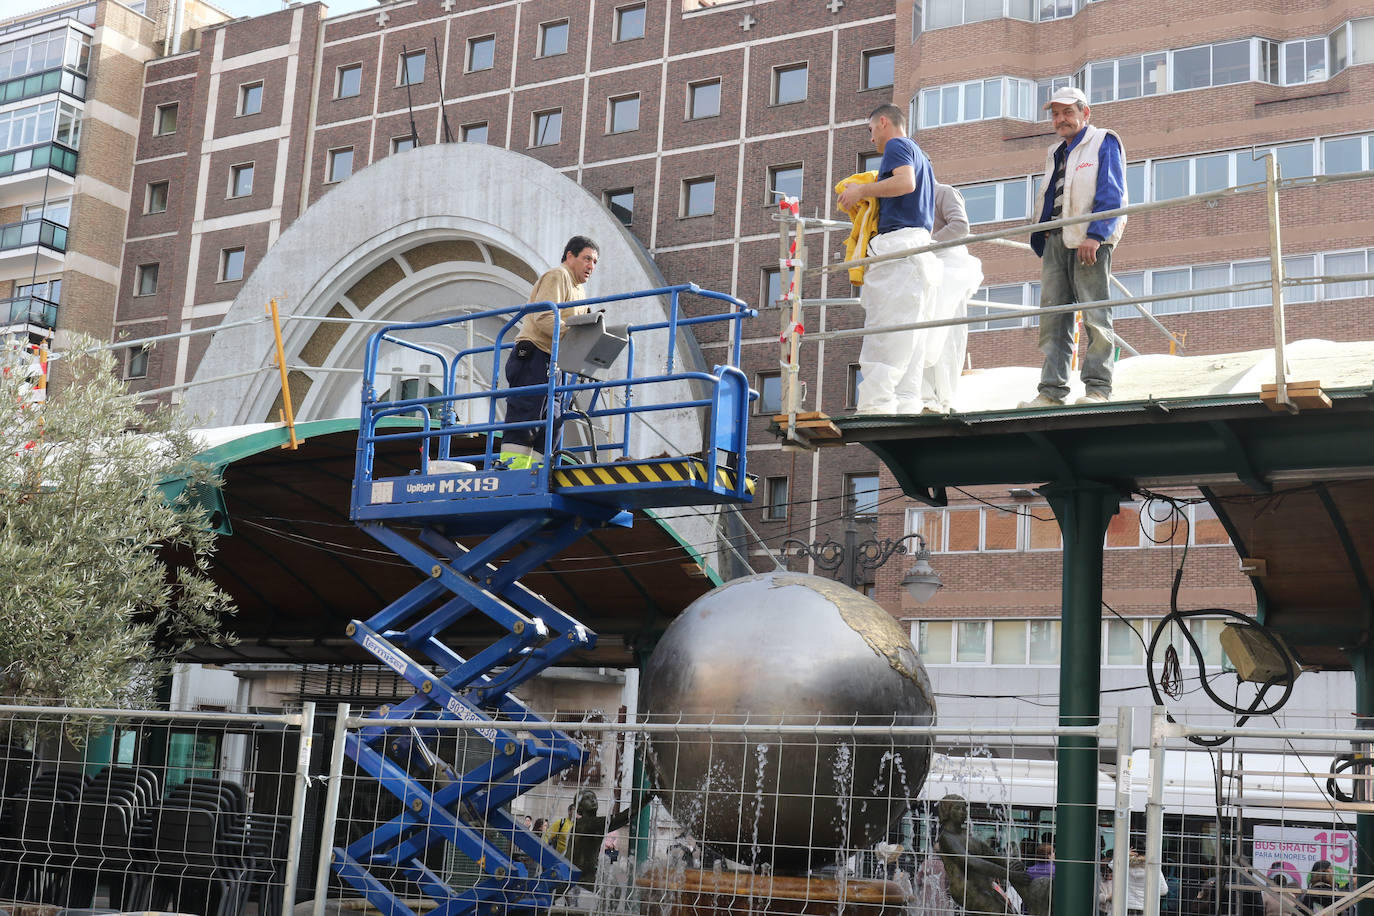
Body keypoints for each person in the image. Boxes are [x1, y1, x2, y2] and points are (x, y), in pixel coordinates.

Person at [1020, 85, 1127, 409]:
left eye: (1068, 112)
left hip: (1088, 240)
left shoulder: (1103, 140)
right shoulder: (1056, 152)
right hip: (1055, 240)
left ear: (1085, 113)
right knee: (1054, 319)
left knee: (1095, 314)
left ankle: (1098, 389)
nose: (1061, 119)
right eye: (1056, 114)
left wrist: (1095, 235)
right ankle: (1051, 393)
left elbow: (1112, 191)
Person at [836, 103, 942, 415]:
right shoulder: (923, 156)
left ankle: (877, 402)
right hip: (918, 248)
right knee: (911, 332)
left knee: (886, 328)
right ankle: (907, 401)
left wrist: (861, 191)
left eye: (871, 130)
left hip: (898, 248)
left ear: (883, 122)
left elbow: (904, 182)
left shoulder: (897, 145)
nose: (871, 139)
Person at [500, 235, 600, 469]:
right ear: (570, 256)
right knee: (526, 418)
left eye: (594, 262)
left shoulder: (580, 291)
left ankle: (538, 472)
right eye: (587, 259)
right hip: (534, 356)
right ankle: (514, 471)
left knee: (553, 423)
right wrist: (577, 337)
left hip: (555, 362)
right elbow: (544, 318)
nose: (591, 266)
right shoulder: (558, 276)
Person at [920, 182, 983, 414]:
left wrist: (928, 245)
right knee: (922, 335)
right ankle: (926, 398)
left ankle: (945, 399)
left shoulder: (943, 192)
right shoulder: (911, 198)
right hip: (927, 270)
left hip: (948, 272)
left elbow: (960, 226)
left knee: (946, 336)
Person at [1124, 843, 1168, 916]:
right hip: (1146, 906)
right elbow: (1164, 890)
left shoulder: (1124, 866)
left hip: (1127, 905)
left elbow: (1111, 864)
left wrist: (1125, 854)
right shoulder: (1154, 867)